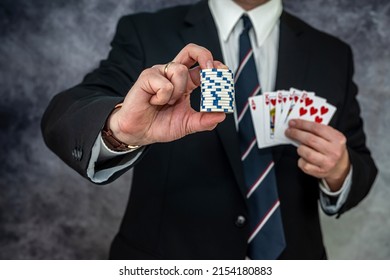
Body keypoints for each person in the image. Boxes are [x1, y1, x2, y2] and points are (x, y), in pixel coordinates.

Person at [41, 0, 377, 259]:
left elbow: (360, 164)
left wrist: (340, 170)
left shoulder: (332, 53)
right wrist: (119, 130)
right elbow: (68, 113)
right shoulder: (146, 31)